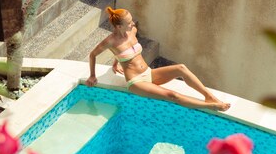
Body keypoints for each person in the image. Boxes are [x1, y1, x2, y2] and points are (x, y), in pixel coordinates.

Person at [86, 7, 230, 111]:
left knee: (181, 68)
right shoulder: (110, 41)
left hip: (148, 73)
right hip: (136, 82)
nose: (133, 24)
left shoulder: (132, 32)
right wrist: (92, 75)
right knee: (172, 95)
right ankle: (211, 106)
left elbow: (124, 52)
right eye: (129, 23)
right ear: (118, 26)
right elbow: (93, 54)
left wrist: (116, 62)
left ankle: (209, 96)